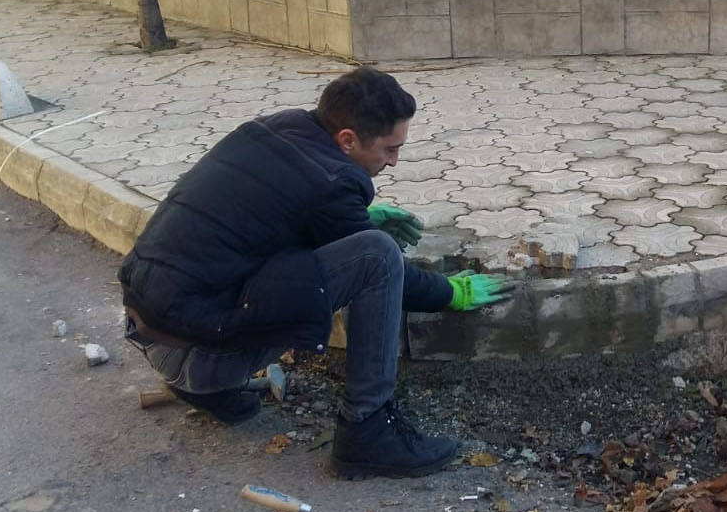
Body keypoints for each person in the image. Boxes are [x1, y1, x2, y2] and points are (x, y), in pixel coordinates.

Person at [119, 66, 513, 479]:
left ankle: (201, 387)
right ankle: (368, 430)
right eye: (390, 149)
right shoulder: (331, 183)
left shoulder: (277, 129)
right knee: (378, 256)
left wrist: (355, 218)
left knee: (333, 252)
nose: (395, 162)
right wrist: (451, 293)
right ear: (347, 140)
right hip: (197, 356)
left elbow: (272, 218)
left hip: (147, 326)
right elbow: (383, 267)